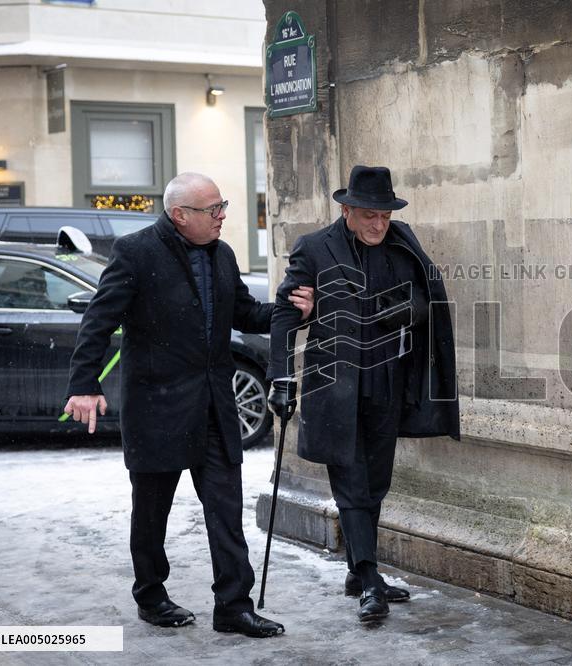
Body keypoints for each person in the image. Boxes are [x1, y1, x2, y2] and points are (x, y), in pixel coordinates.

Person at [64, 173, 309, 638]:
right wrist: (84, 382)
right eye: (213, 209)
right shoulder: (136, 253)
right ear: (180, 215)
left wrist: (293, 311)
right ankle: (151, 595)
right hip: (158, 409)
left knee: (225, 508)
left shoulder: (223, 254)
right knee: (152, 510)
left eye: (223, 206)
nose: (222, 216)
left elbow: (245, 313)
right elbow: (98, 321)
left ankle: (233, 606)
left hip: (216, 407)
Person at [268, 165, 460, 622]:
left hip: (387, 381)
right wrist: (281, 378)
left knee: (376, 482)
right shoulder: (314, 248)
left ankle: (358, 569)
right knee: (351, 481)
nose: (379, 224)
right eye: (370, 215)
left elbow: (426, 296)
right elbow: (283, 315)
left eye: (385, 215)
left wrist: (405, 311)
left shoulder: (401, 240)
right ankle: (371, 578)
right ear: (347, 209)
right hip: (335, 386)